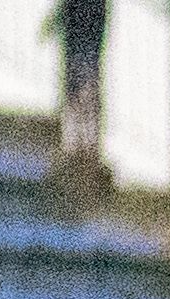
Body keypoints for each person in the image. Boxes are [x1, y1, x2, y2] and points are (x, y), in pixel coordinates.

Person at [49, 0, 111, 187]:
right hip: (80, 27)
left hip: (85, 25)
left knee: (84, 88)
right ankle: (80, 147)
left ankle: (85, 148)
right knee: (79, 89)